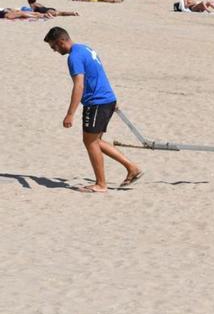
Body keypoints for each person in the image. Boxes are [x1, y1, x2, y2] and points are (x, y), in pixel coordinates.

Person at [43, 27, 142, 193]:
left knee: (89, 141)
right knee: (95, 141)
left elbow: (79, 85)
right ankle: (132, 168)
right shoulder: (85, 48)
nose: (54, 50)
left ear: (61, 42)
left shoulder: (74, 57)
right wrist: (112, 97)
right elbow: (99, 73)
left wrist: (70, 114)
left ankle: (101, 184)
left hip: (96, 102)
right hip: (107, 99)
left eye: (54, 47)